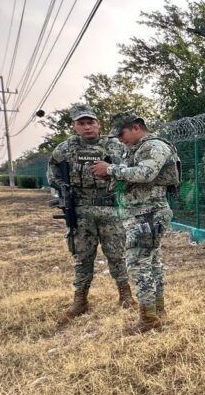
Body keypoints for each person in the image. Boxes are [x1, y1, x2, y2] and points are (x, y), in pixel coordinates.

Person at [91, 112, 181, 335]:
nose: (120, 139)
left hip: (149, 213)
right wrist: (111, 176)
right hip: (142, 213)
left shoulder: (155, 146)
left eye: (122, 133)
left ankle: (149, 319)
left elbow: (146, 173)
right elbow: (132, 178)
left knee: (139, 264)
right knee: (151, 263)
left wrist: (111, 169)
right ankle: (157, 312)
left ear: (136, 127)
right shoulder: (136, 149)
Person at [47, 105, 134, 325]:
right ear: (74, 126)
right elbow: (52, 172)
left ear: (98, 124)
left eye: (91, 122)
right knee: (82, 257)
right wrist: (63, 188)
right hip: (81, 211)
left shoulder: (114, 145)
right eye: (82, 123)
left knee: (117, 254)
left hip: (110, 209)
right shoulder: (66, 148)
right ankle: (80, 301)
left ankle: (125, 296)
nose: (87, 127)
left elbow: (129, 169)